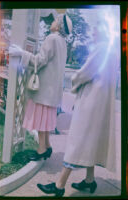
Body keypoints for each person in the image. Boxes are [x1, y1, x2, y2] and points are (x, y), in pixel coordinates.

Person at [37, 20, 119, 196]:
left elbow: (85, 73)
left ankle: (59, 185)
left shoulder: (101, 48)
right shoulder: (113, 50)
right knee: (91, 142)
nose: (93, 33)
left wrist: (73, 80)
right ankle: (89, 181)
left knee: (78, 143)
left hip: (91, 102)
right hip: (101, 104)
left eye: (96, 30)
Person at [9, 14, 72, 160]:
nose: (53, 22)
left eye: (56, 20)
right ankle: (47, 146)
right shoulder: (62, 42)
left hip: (44, 88)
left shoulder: (52, 38)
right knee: (45, 120)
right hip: (53, 90)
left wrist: (21, 53)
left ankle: (41, 150)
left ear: (59, 26)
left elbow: (40, 60)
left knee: (40, 120)